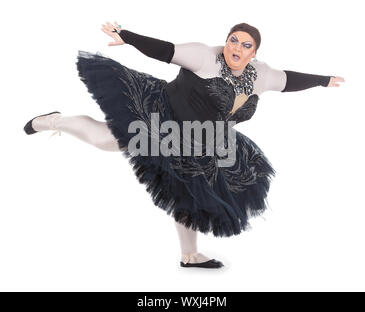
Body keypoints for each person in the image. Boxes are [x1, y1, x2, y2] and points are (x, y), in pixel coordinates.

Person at [24, 22, 344, 269]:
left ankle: (189, 255)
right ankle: (52, 121)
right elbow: (164, 50)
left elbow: (290, 80)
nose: (237, 47)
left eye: (246, 45)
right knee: (105, 139)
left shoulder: (262, 76)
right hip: (161, 117)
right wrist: (129, 37)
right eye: (233, 39)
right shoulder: (205, 55)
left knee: (190, 195)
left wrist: (323, 79)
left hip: (201, 142)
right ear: (227, 40)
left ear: (253, 53)